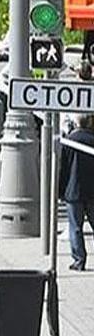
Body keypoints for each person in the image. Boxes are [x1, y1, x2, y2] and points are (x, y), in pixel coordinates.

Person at [58, 114, 94, 271]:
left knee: (75, 227)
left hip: (73, 191)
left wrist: (60, 191)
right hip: (92, 191)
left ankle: (79, 260)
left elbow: (64, 168)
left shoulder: (70, 140)